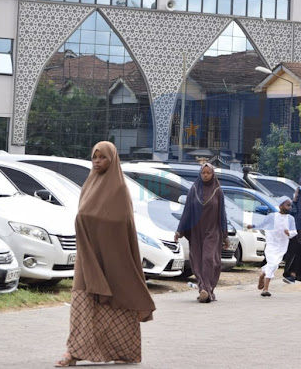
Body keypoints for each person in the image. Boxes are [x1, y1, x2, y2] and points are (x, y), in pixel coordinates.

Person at [56, 142, 155, 367]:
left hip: (113, 258)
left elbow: (122, 223)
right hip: (87, 257)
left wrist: (94, 222)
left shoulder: (119, 188)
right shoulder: (89, 184)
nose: (97, 162)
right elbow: (84, 215)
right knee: (82, 301)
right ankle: (73, 352)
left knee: (117, 302)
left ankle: (124, 351)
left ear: (113, 160)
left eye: (102, 158)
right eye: (94, 157)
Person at [175, 163, 228, 303]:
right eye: (203, 172)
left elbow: (222, 214)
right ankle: (205, 290)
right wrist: (179, 230)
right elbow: (187, 211)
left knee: (209, 259)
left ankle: (206, 289)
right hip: (196, 231)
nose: (205, 175)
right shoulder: (193, 189)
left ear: (213, 174)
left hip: (212, 231)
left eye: (208, 173)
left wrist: (225, 235)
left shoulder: (218, 191)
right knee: (197, 260)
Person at [247, 198, 297, 297]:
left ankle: (263, 275)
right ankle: (265, 289)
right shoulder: (272, 216)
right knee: (272, 263)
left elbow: (294, 231)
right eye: (288, 205)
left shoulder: (291, 219)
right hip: (271, 244)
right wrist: (253, 226)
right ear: (281, 206)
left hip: (282, 246)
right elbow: (262, 224)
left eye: (290, 205)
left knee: (274, 264)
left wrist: (289, 233)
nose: (289, 207)